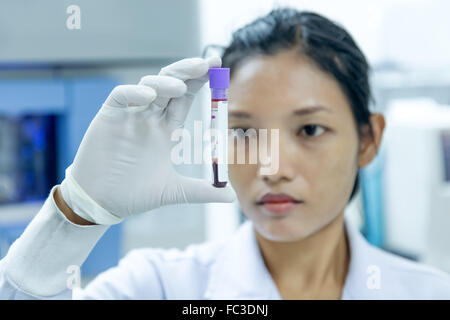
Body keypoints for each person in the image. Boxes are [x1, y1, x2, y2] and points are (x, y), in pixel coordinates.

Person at [1, 8, 450, 300]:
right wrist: (76, 210)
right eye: (243, 131)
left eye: (310, 129)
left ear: (368, 140)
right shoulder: (160, 287)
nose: (271, 167)